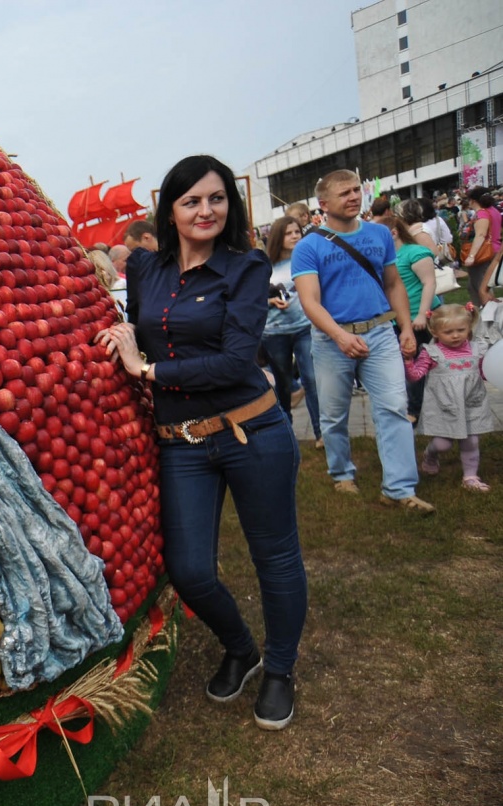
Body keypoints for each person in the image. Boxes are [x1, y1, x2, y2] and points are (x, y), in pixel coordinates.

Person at [97, 154, 307, 731]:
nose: (205, 210)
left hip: (252, 430)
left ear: (230, 205)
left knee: (275, 558)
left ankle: (280, 670)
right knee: (189, 569)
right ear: (170, 210)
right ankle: (240, 646)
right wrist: (120, 338)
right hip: (182, 443)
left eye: (216, 198)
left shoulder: (245, 266)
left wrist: (148, 372)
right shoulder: (144, 268)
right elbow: (143, 330)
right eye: (191, 201)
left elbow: (237, 359)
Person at [292, 169, 434, 513]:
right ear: (323, 204)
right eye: (345, 193)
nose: (354, 197)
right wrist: (339, 336)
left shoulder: (378, 234)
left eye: (356, 190)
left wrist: (404, 328)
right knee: (334, 414)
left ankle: (399, 489)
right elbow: (310, 301)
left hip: (380, 333)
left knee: (394, 408)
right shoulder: (308, 246)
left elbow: (393, 284)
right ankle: (341, 474)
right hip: (331, 340)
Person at [404, 304, 500, 492]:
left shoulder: (477, 349)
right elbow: (416, 375)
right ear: (435, 331)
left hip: (472, 402)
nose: (455, 335)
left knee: (471, 441)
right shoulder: (431, 353)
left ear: (469, 327)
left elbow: (484, 372)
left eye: (461, 330)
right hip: (444, 406)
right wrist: (408, 361)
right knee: (443, 444)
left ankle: (470, 477)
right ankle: (431, 455)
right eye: (448, 332)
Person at [261, 216, 322, 448]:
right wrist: (270, 302)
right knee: (283, 384)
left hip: (305, 327)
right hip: (274, 332)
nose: (295, 236)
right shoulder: (264, 266)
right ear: (278, 237)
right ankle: (286, 432)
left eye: (297, 231)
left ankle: (320, 433)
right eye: (289, 233)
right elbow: (252, 299)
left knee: (312, 379)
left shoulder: (307, 259)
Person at [374, 211, 437, 422]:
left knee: (418, 364)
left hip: (419, 319)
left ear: (393, 233)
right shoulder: (384, 258)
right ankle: (412, 406)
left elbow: (429, 284)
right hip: (397, 319)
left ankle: (415, 411)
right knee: (405, 365)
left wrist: (422, 315)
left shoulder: (415, 252)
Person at [462, 187, 500, 307]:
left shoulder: (481, 214)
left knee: (480, 287)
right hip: (494, 249)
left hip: (483, 253)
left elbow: (481, 235)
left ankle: (486, 316)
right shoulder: (494, 211)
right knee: (482, 284)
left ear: (473, 200)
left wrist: (471, 255)